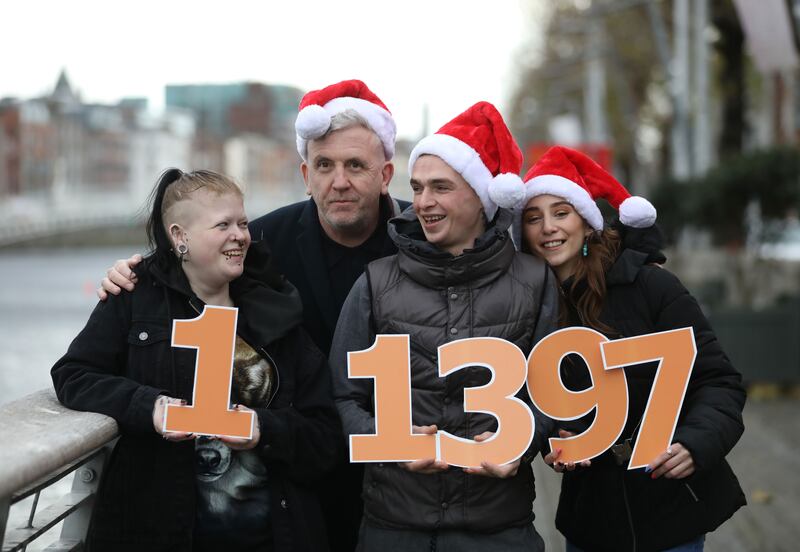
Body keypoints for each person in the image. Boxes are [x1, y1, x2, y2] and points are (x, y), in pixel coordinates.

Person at [96, 80, 409, 552]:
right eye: (324, 165)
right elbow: (190, 267)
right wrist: (131, 272)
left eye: (355, 165)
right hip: (296, 491)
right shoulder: (263, 243)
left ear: (385, 174)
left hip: (401, 478)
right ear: (306, 174)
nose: (338, 180)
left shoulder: (421, 241)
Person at [52, 169, 342, 551]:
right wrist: (148, 407)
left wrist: (262, 430)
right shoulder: (135, 296)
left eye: (242, 222)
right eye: (222, 225)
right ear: (179, 236)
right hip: (158, 532)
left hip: (268, 536)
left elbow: (325, 438)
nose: (240, 235)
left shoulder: (276, 309)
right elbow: (73, 375)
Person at [330, 102, 559, 551]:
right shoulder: (375, 282)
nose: (423, 202)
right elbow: (344, 394)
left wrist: (522, 440)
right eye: (416, 188)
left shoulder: (535, 280)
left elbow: (551, 393)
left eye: (440, 187)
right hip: (393, 527)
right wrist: (388, 442)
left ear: (481, 196)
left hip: (499, 528)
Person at [515, 146, 747, 552]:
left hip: (671, 508)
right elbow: (530, 398)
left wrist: (696, 443)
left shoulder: (651, 285)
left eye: (561, 212)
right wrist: (553, 439)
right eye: (534, 218)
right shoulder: (528, 307)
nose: (548, 227)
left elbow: (719, 380)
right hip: (591, 519)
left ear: (587, 223)